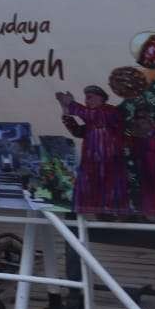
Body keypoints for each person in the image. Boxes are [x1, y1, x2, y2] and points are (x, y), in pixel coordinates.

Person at [56, 86, 129, 216]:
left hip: (109, 166)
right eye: (85, 98)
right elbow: (78, 131)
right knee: (88, 196)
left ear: (101, 98)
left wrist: (71, 104)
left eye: (89, 97)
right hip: (90, 166)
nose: (86, 101)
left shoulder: (109, 112)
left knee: (110, 198)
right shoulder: (92, 121)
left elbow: (94, 115)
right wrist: (65, 112)